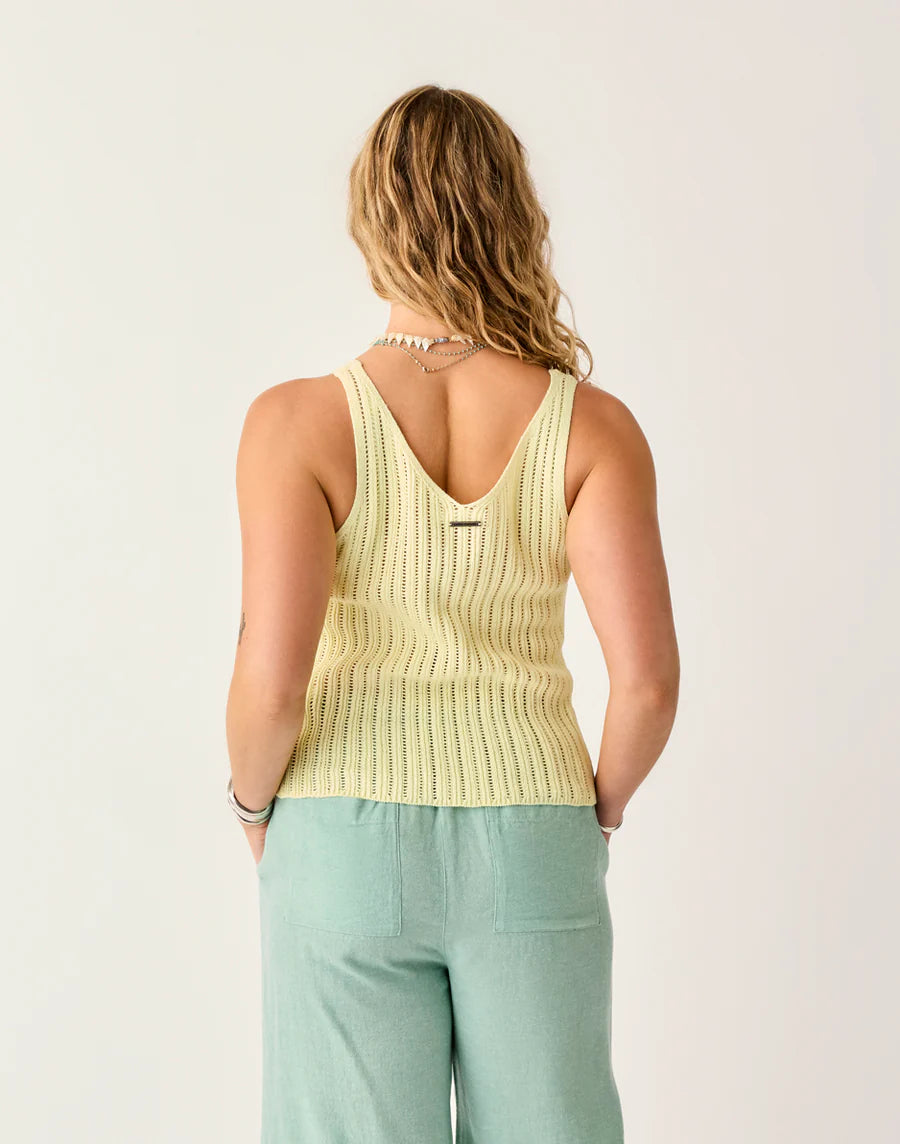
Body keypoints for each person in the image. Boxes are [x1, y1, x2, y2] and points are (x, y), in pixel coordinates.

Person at [225, 84, 679, 1144]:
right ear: (511, 213)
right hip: (535, 832)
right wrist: (593, 816)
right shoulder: (593, 428)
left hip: (340, 836)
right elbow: (648, 684)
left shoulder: (296, 423)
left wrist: (252, 810)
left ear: (372, 221)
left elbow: (271, 683)